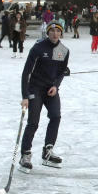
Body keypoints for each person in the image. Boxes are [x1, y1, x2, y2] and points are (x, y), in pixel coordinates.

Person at [19, 22, 68, 168]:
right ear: (48, 33)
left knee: (55, 116)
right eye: (52, 31)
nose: (55, 34)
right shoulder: (38, 48)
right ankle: (25, 154)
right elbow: (26, 72)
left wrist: (56, 86)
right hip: (35, 89)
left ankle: (48, 150)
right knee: (33, 122)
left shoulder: (64, 51)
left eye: (58, 31)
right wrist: (25, 95)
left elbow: (62, 72)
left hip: (50, 90)